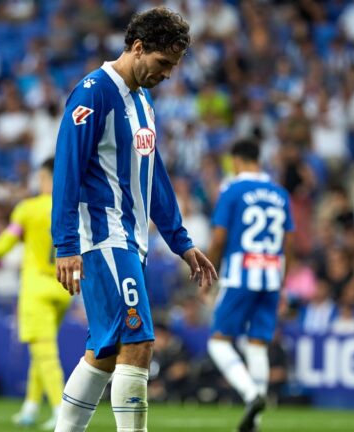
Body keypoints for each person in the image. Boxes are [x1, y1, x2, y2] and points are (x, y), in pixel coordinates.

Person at [50, 7, 217, 432]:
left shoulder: (142, 100)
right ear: (138, 48)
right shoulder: (93, 93)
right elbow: (67, 171)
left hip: (131, 240)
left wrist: (181, 241)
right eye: (163, 64)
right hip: (104, 238)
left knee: (105, 353)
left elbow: (152, 176)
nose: (167, 75)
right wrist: (66, 245)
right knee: (139, 341)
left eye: (174, 67)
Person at [0, 158, 70, 428]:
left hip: (36, 289)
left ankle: (62, 411)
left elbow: (3, 245)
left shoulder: (28, 209)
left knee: (45, 353)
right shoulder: (73, 206)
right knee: (41, 351)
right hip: (64, 287)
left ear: (45, 178)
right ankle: (31, 407)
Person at [202, 139, 295, 432]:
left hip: (241, 273)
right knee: (257, 345)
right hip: (271, 275)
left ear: (237, 161)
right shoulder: (280, 194)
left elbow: (218, 239)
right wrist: (281, 281)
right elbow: (288, 243)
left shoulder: (232, 190)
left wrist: (207, 271)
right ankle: (254, 422)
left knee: (218, 342)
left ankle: (251, 394)